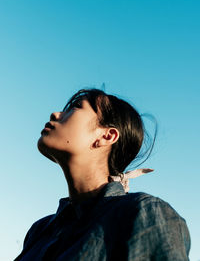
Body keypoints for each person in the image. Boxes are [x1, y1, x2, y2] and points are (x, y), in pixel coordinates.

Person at [14, 88, 190, 261]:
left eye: (75, 107)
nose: (55, 114)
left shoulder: (143, 212)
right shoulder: (40, 231)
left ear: (107, 136)